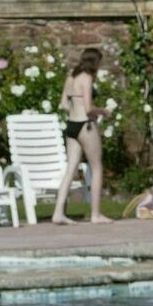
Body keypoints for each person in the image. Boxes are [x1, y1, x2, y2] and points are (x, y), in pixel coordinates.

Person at [51, 46, 110, 224]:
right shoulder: (87, 78)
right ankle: (96, 214)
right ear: (95, 62)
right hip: (85, 126)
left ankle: (58, 212)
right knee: (97, 167)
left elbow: (63, 104)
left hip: (71, 125)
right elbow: (89, 107)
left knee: (71, 168)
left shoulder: (71, 76)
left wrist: (75, 111)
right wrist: (104, 112)